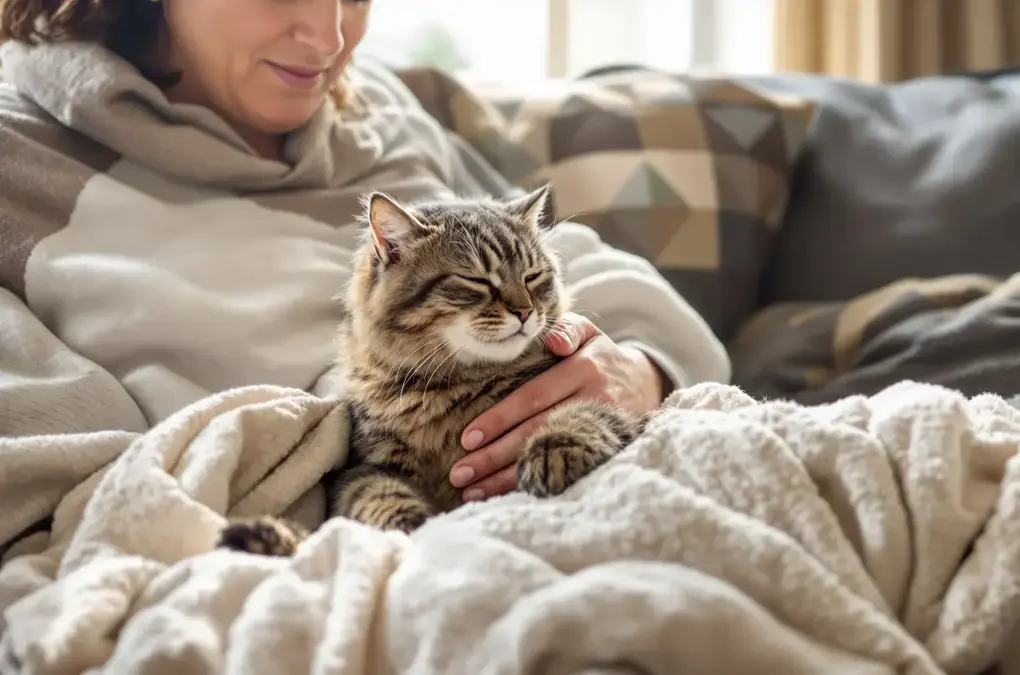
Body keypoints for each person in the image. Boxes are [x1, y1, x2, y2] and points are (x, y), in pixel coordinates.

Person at [0, 0, 729, 546]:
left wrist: (634, 372)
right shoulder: (17, 157)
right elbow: (42, 463)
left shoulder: (382, 116)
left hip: (573, 491)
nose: (331, 38)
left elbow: (643, 303)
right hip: (291, 544)